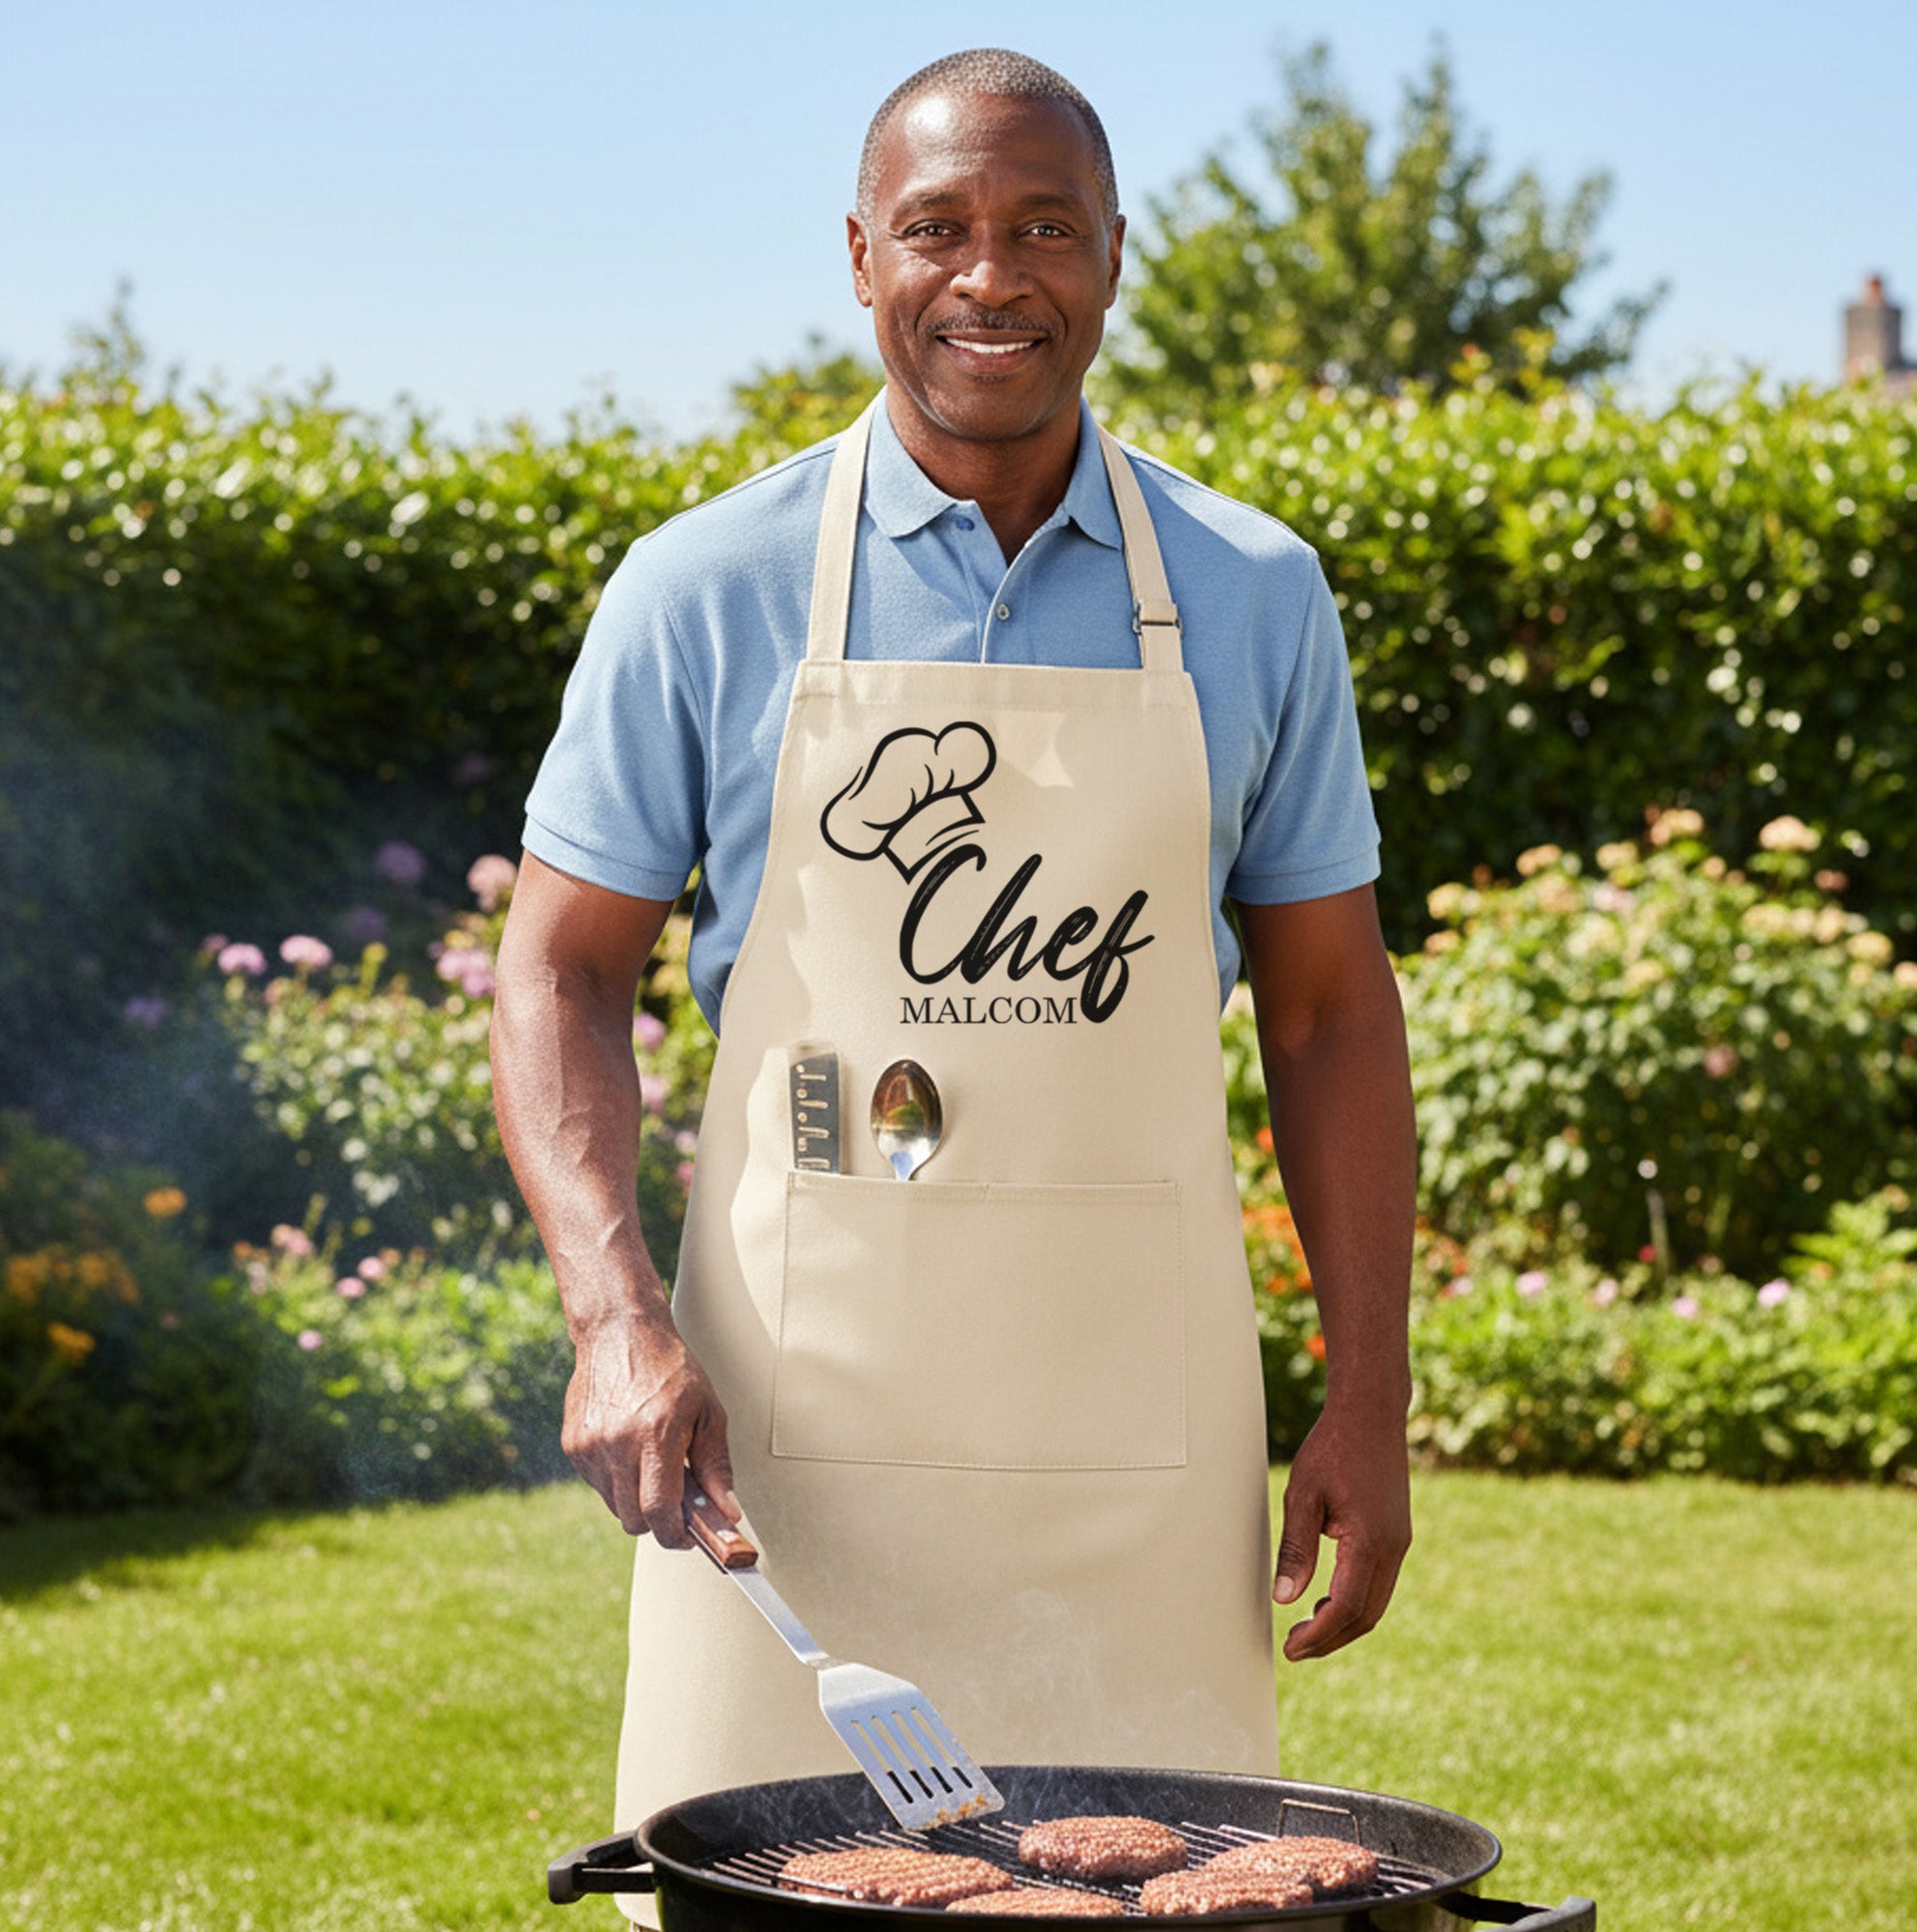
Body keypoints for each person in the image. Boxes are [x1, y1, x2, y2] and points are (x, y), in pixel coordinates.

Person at [491, 45, 1414, 1906]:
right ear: (860, 257)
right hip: (795, 1463)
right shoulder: (704, 588)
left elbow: (1326, 1011)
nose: (992, 278)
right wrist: (613, 1314)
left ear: (1116, 257)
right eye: (940, 229)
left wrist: (1369, 1393)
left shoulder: (1254, 592)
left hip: (1140, 1462)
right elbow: (557, 975)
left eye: (1044, 228)